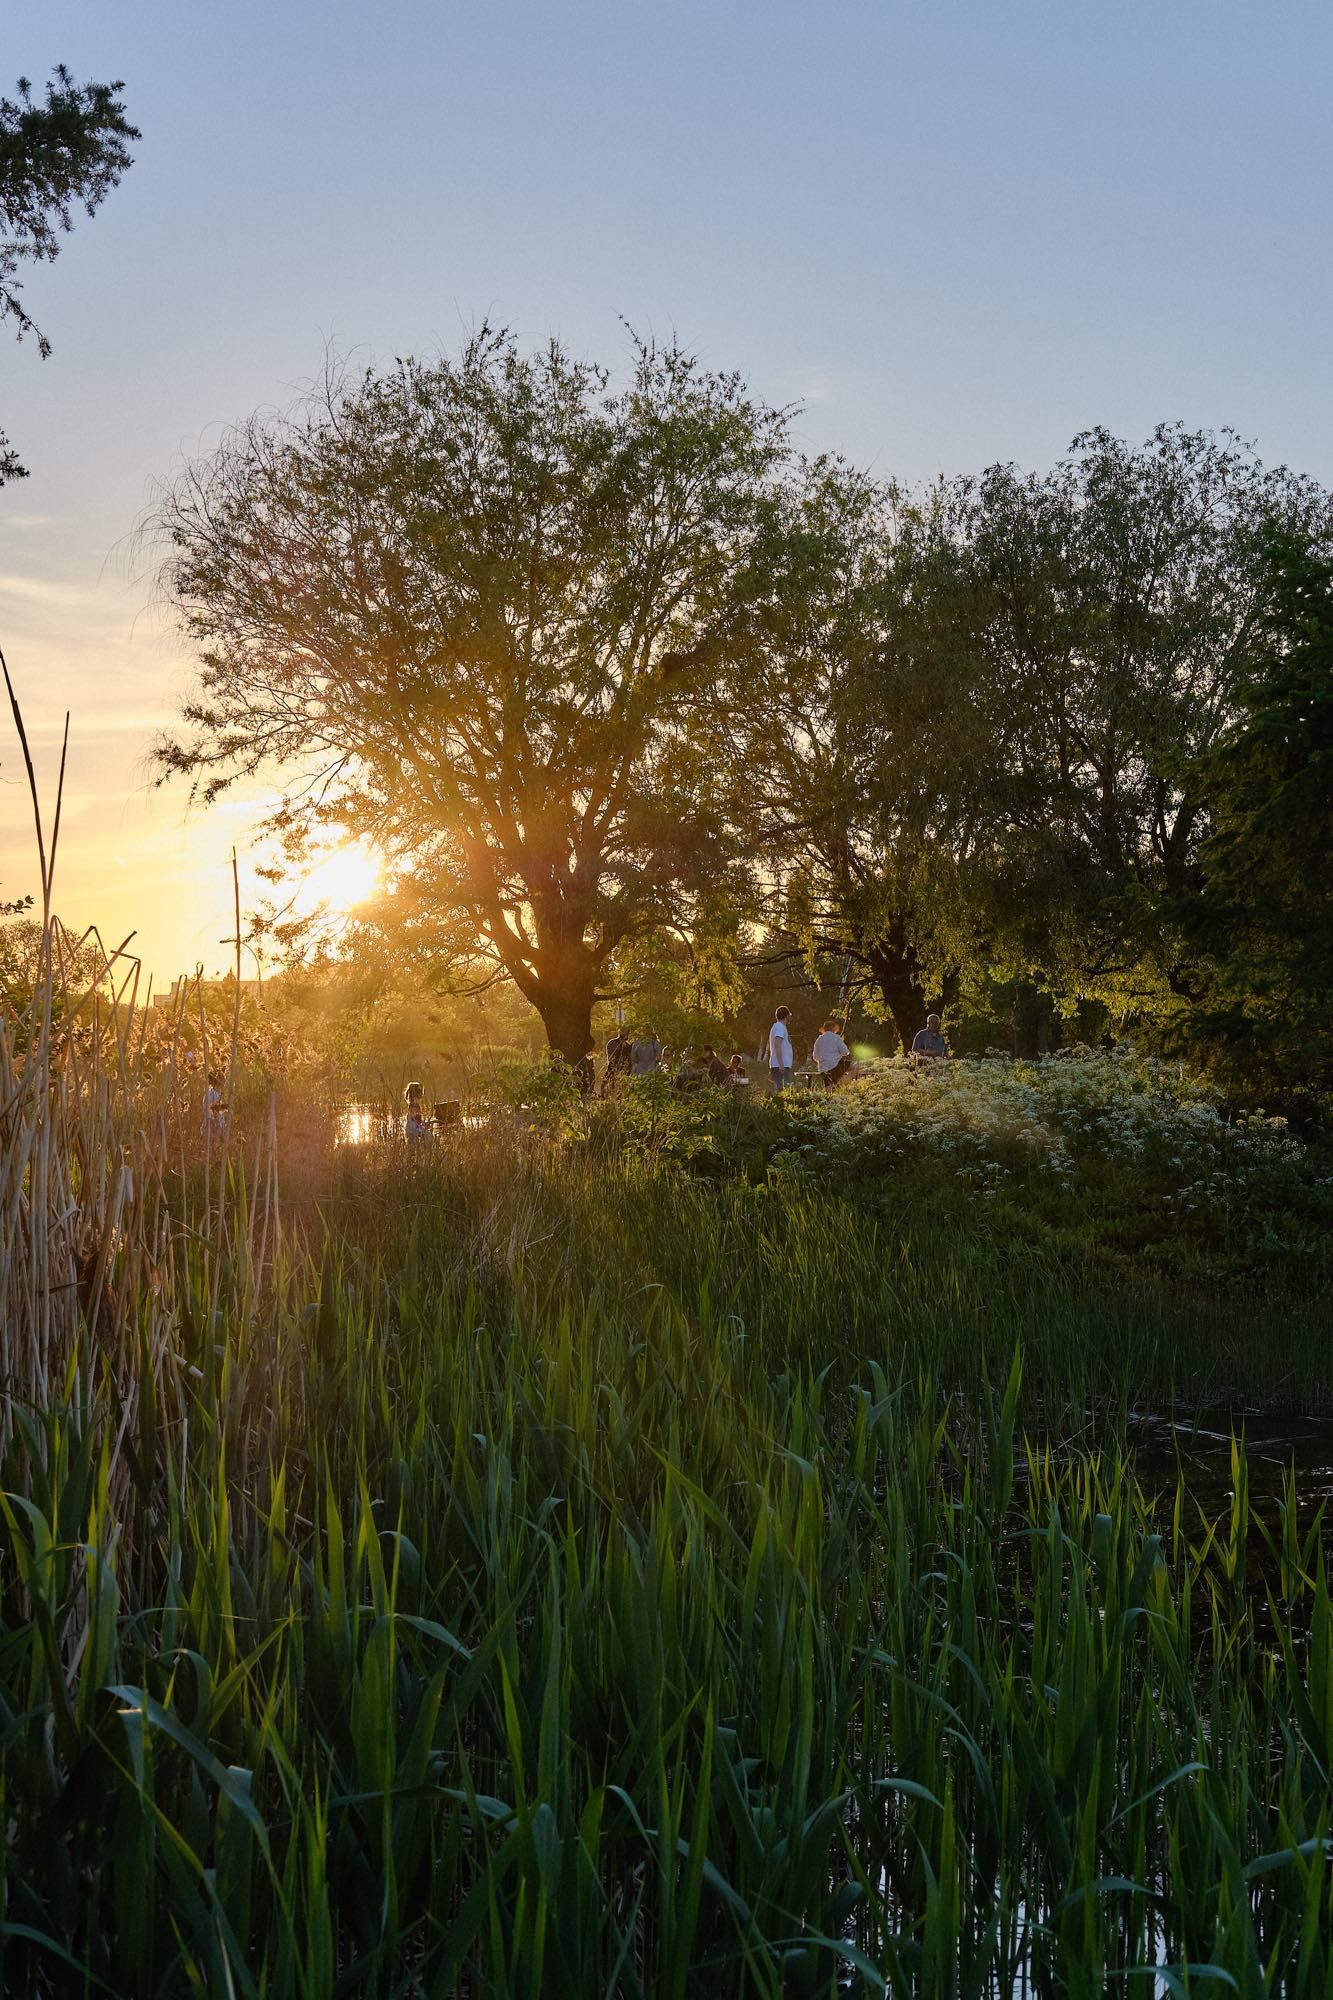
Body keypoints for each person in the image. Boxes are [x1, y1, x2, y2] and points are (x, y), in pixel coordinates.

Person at [812, 1020, 851, 1089]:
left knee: (829, 1080)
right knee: (852, 1065)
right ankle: (845, 1086)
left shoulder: (819, 1040)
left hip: (822, 1069)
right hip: (835, 1067)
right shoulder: (836, 1038)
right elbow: (846, 1052)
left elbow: (815, 1057)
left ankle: (829, 1088)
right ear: (833, 1029)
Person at [768, 1006, 794, 1092]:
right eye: (789, 1015)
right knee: (782, 1092)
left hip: (780, 1064)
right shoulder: (779, 1027)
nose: (790, 1017)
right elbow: (777, 1045)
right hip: (781, 1065)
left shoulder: (779, 1027)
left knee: (783, 1091)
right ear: (786, 1016)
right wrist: (781, 1064)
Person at [602, 1027, 633, 1096]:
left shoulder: (627, 1046)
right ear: (620, 1033)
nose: (627, 1034)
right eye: (625, 1032)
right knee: (608, 1088)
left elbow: (630, 1059)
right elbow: (611, 1057)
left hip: (625, 1072)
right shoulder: (613, 1043)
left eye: (628, 1033)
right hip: (614, 1070)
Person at [202, 1069, 228, 1138]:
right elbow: (209, 1113)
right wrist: (216, 1128)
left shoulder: (218, 1094)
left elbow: (219, 1112)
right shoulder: (211, 1094)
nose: (224, 1082)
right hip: (212, 1131)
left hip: (218, 1129)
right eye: (222, 1079)